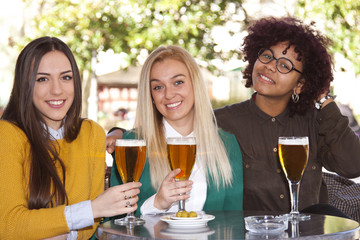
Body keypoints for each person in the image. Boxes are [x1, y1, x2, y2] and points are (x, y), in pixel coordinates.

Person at [214, 17, 360, 213]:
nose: (270, 66)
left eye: (284, 66)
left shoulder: (316, 123)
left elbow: (353, 165)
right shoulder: (221, 122)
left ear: (299, 85)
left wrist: (324, 100)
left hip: (310, 233)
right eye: (266, 56)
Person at [0, 36, 141, 239]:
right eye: (42, 79)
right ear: (25, 85)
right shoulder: (8, 135)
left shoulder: (91, 133)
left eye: (66, 77)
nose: (57, 90)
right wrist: (91, 209)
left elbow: (89, 229)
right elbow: (8, 225)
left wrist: (52, 232)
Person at [108, 45, 243, 216]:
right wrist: (156, 203)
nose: (169, 94)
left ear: (195, 84)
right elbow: (113, 221)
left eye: (178, 82)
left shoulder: (226, 143)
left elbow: (233, 220)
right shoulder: (132, 144)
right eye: (158, 87)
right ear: (150, 96)